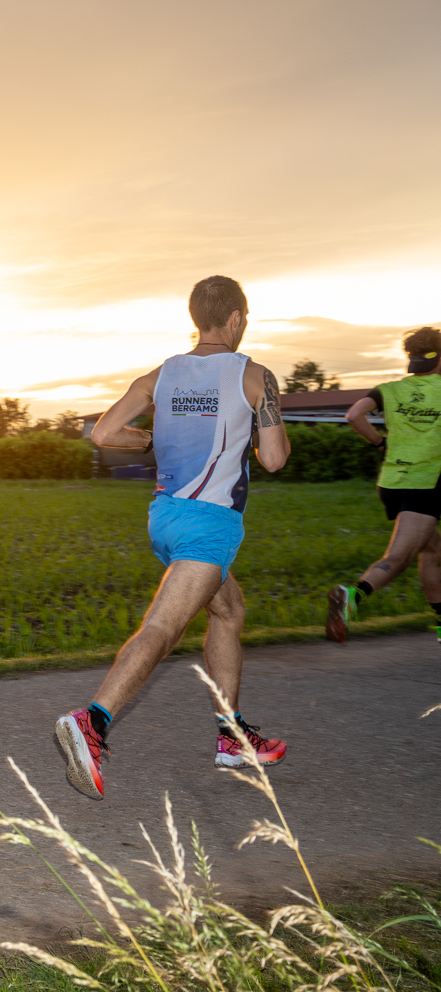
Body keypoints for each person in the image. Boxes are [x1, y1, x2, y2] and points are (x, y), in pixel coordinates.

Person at [55, 276, 292, 799]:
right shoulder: (254, 375)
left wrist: (153, 439)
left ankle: (232, 735)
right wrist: (250, 432)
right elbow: (273, 458)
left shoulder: (161, 375)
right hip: (210, 525)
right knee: (163, 627)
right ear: (234, 319)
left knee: (228, 610)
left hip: (164, 519)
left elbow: (102, 434)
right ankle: (92, 721)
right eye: (244, 318)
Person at [325, 327, 441, 645]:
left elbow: (354, 415)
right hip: (425, 485)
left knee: (434, 551)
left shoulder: (390, 389)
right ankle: (352, 595)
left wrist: (380, 443)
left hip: (391, 483)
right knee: (399, 557)